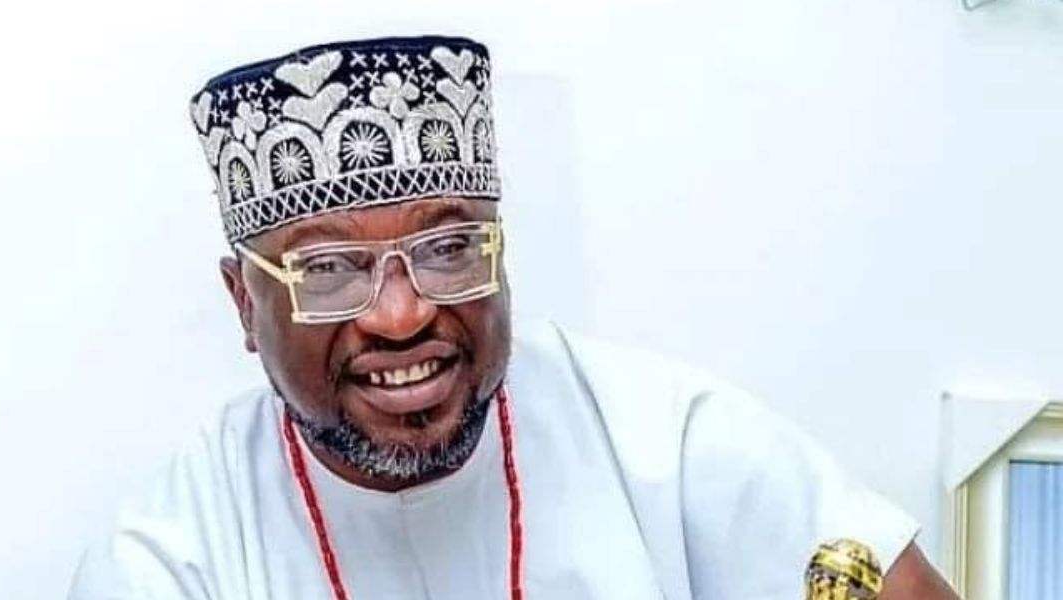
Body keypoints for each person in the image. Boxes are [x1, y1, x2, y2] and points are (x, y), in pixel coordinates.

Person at [69, 35, 958, 600]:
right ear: (244, 303)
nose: (402, 314)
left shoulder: (667, 443)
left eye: (449, 249)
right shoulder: (170, 557)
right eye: (329, 270)